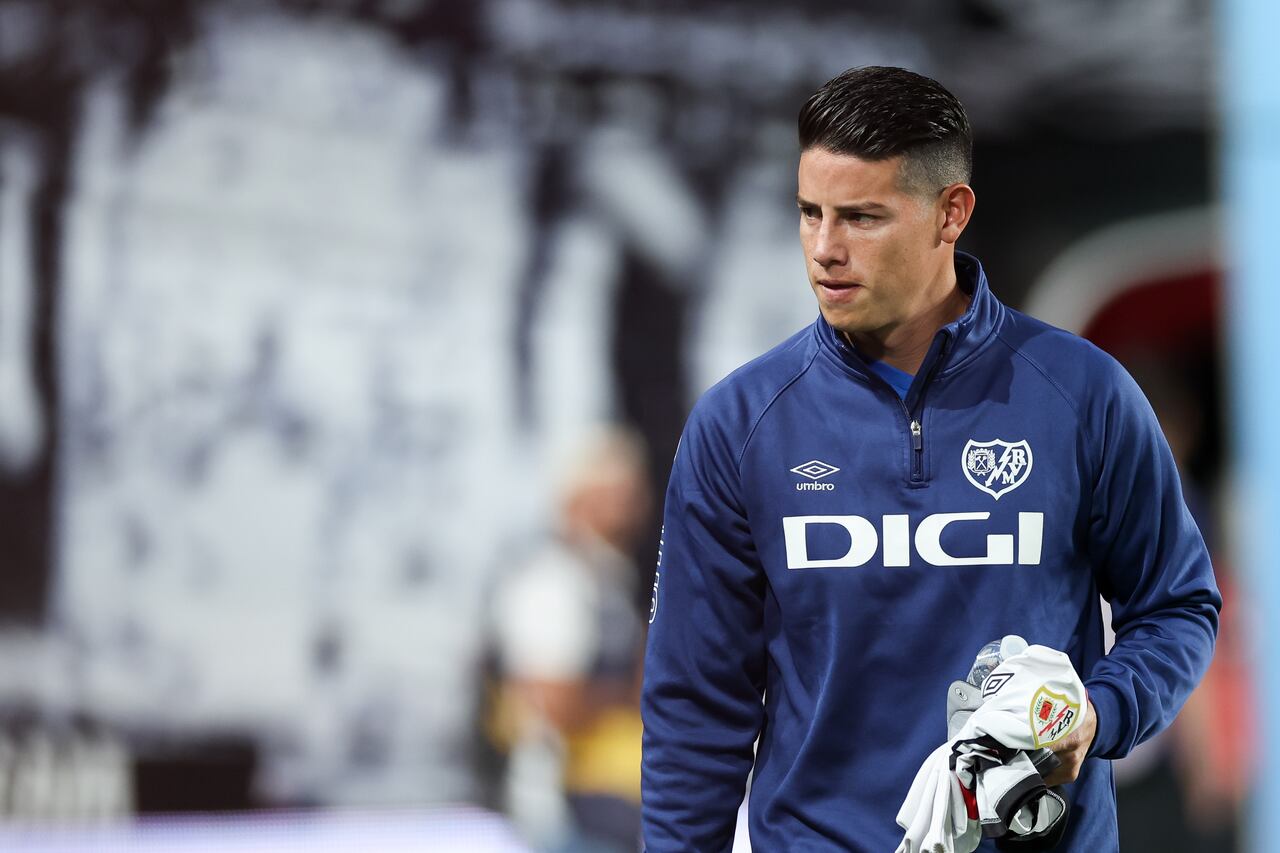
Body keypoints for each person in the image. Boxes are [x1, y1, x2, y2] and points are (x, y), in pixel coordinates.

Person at [640, 66, 1220, 852]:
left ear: (952, 213)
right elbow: (695, 706)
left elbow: (1178, 606)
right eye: (809, 213)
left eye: (861, 217)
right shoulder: (740, 423)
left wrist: (1095, 712)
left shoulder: (1082, 395)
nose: (824, 249)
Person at [490, 426, 652, 852]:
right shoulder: (554, 582)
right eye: (618, 495)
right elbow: (549, 700)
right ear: (579, 499)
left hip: (607, 807)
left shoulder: (607, 577)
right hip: (562, 810)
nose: (634, 507)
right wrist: (637, 693)